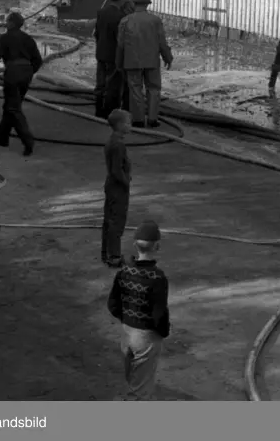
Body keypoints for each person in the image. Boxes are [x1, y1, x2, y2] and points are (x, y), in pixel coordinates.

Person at [107, 219, 171, 401]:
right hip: (147, 338)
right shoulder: (158, 278)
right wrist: (163, 332)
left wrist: (128, 319)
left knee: (132, 380)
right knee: (140, 392)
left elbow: (112, 304)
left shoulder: (124, 273)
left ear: (135, 244)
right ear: (157, 246)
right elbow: (159, 314)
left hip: (127, 334)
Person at [0, 10, 43, 156]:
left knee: (13, 109)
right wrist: (30, 72)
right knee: (11, 106)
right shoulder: (28, 39)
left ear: (11, 23)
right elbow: (38, 60)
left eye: (7, 21)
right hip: (26, 73)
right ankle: (1, 138)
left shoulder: (4, 39)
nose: (5, 23)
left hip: (13, 73)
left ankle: (28, 140)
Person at [115, 0, 173, 129]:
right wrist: (167, 57)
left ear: (133, 4)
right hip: (152, 61)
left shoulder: (125, 20)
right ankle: (152, 119)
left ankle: (138, 120)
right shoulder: (155, 20)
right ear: (147, 5)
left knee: (135, 89)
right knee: (154, 89)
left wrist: (118, 62)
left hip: (132, 61)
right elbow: (162, 42)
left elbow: (120, 45)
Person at [94, 0, 131, 119]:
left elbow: (97, 33)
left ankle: (98, 109)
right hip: (113, 55)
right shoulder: (121, 17)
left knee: (100, 83)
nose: (127, 0)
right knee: (113, 85)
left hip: (101, 52)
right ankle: (110, 113)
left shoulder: (102, 12)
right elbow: (120, 40)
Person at [102, 110, 132, 268]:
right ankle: (114, 256)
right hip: (117, 187)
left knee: (109, 219)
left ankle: (107, 253)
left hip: (111, 185)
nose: (130, 126)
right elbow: (117, 170)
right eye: (128, 123)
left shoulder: (113, 141)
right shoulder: (118, 145)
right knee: (117, 221)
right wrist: (126, 182)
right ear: (119, 125)